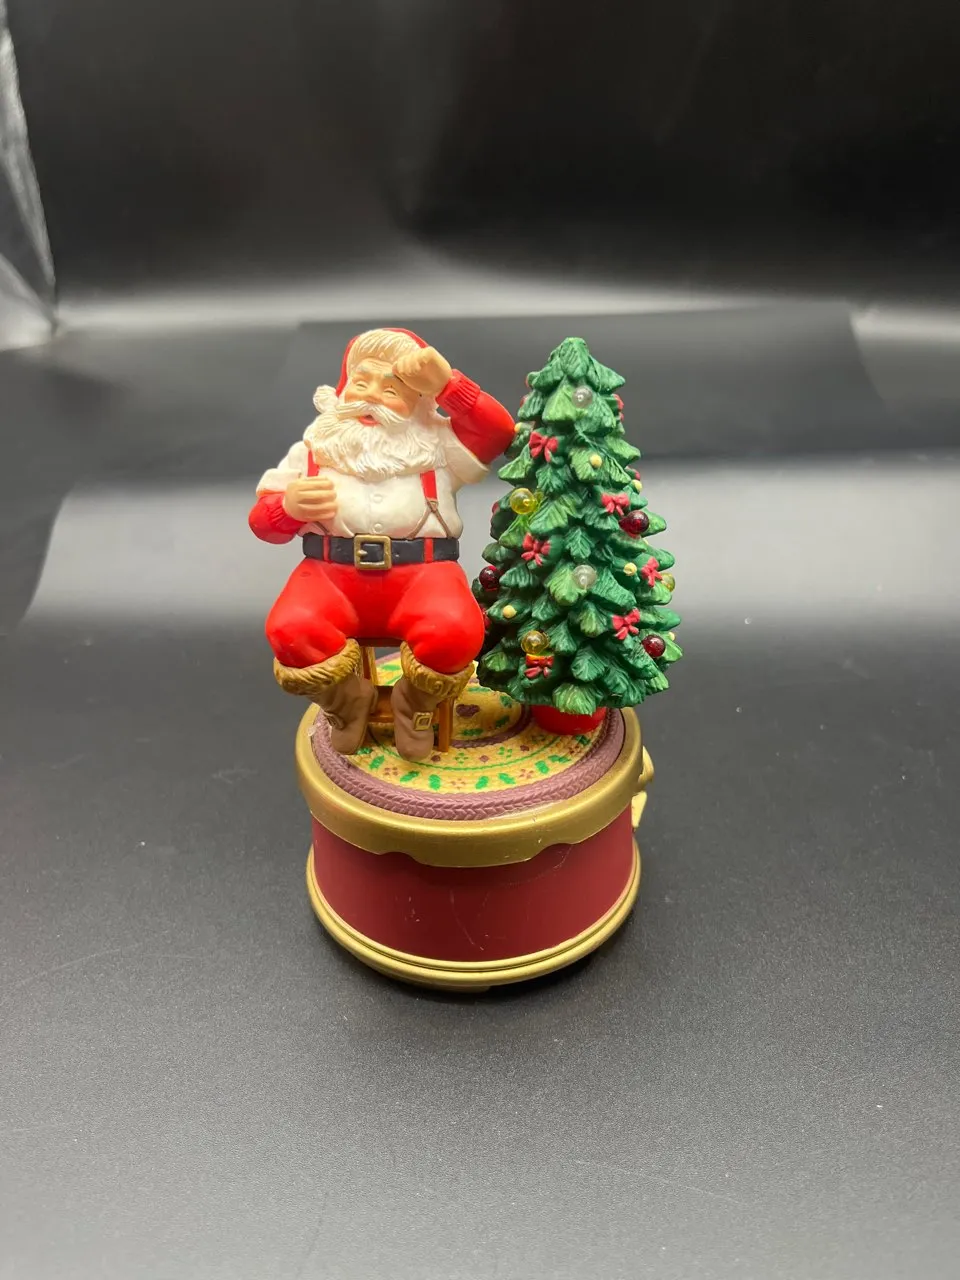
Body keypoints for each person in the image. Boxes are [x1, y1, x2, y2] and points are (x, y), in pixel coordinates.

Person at [250, 327, 515, 760]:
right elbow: (264, 525)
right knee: (291, 630)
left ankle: (415, 706)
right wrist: (287, 507)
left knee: (456, 630)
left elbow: (499, 432)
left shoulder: (438, 446)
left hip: (423, 577)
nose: (371, 397)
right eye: (361, 383)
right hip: (329, 578)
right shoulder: (313, 450)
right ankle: (348, 702)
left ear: (420, 401)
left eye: (391, 389)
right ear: (342, 390)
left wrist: (450, 386)